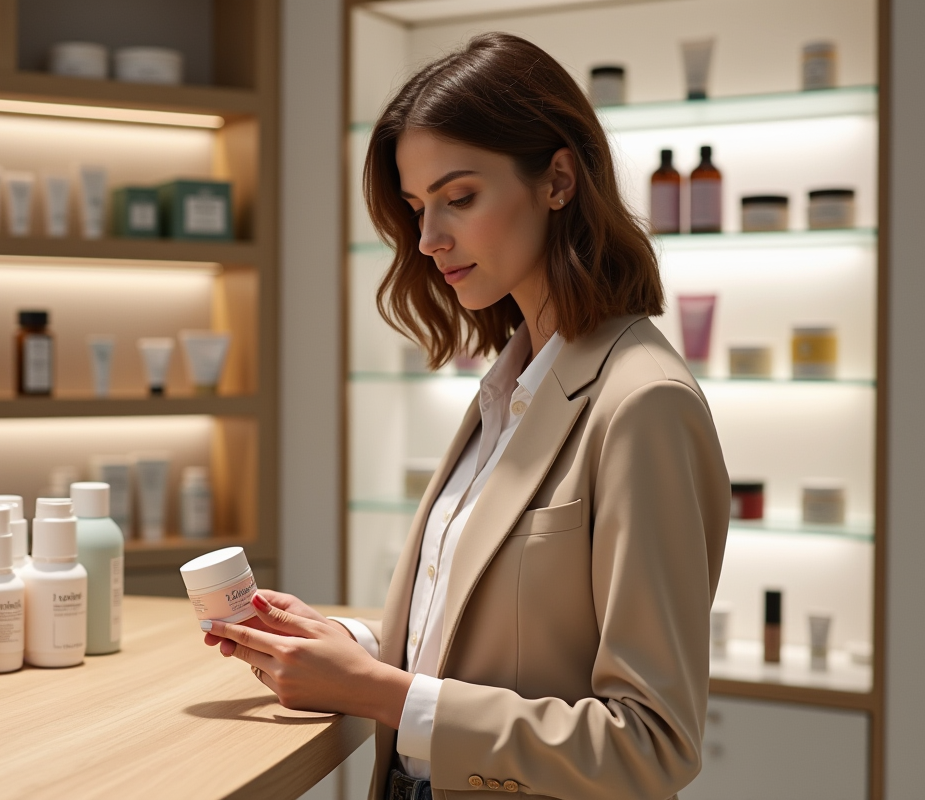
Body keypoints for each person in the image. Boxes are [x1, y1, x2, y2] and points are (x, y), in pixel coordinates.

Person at [203, 32, 730, 800]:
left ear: (556, 180)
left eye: (460, 197)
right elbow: (497, 645)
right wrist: (346, 647)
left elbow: (650, 744)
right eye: (418, 208)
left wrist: (376, 692)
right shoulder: (508, 389)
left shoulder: (643, 403)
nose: (428, 240)